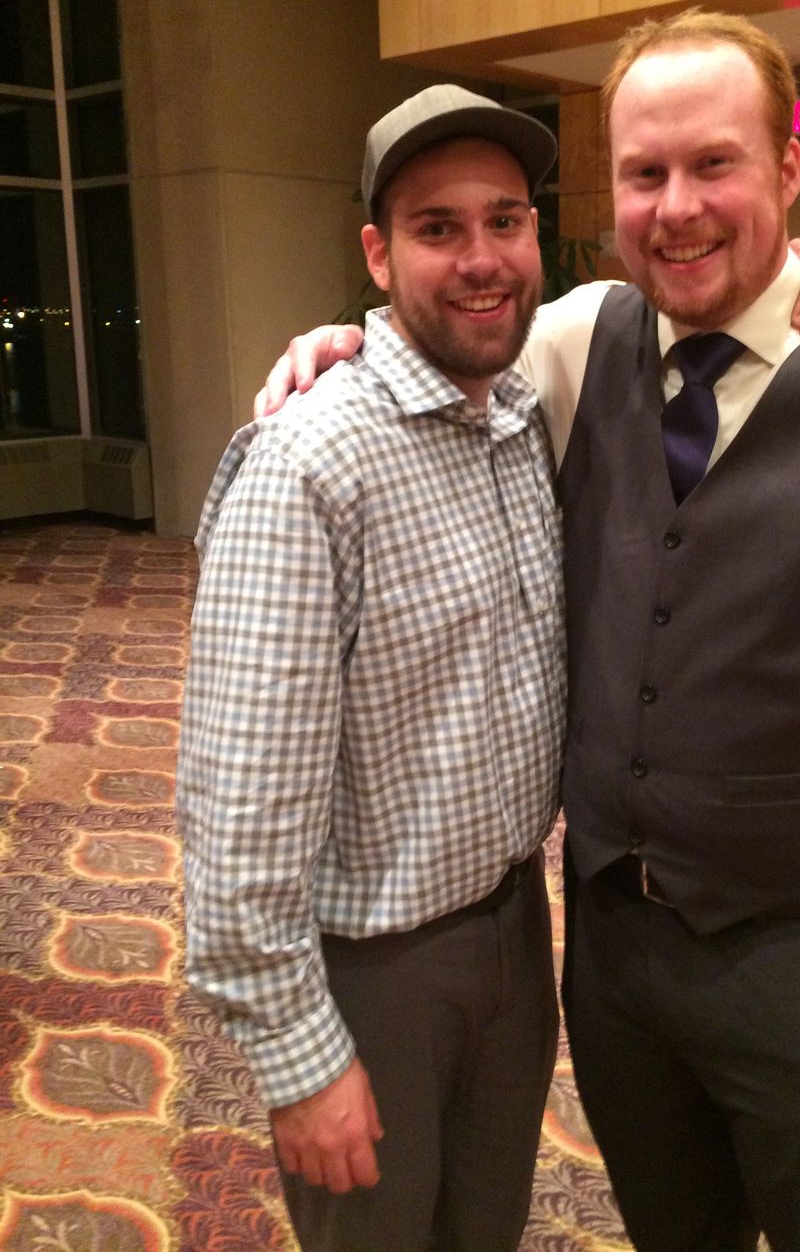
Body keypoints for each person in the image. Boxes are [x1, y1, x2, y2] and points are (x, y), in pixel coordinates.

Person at [261, 10, 800, 1252]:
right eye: (645, 173)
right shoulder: (577, 341)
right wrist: (336, 345)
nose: (677, 207)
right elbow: (441, 343)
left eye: (715, 164)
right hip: (615, 964)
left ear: (788, 168)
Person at [177, 85, 570, 1252]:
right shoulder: (311, 460)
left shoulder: (523, 419)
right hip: (372, 969)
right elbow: (240, 800)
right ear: (378, 254)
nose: (481, 259)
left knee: (484, 1230)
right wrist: (298, 1056)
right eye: (438, 228)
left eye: (505, 221)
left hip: (516, 926)